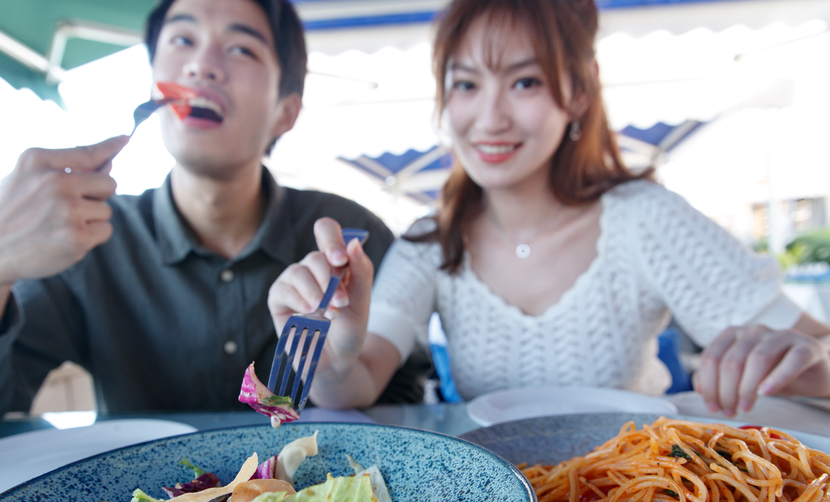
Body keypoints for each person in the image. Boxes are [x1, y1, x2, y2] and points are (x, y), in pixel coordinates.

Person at [267, 0, 830, 417]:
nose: (490, 118)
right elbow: (356, 385)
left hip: (647, 500)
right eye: (465, 85)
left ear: (579, 92)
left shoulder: (646, 219)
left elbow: (819, 355)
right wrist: (335, 356)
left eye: (525, 81)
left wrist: (799, 355)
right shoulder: (433, 241)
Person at [0, 0, 427, 434]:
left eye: (241, 48)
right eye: (181, 41)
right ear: (155, 81)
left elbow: (412, 403)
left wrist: (342, 372)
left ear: (285, 112)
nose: (201, 65)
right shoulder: (89, 243)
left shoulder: (353, 239)